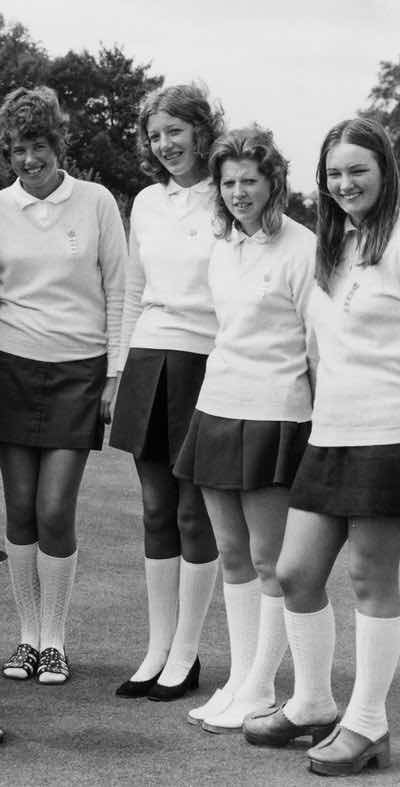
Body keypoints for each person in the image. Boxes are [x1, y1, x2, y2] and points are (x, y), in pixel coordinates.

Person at [242, 117, 400, 777]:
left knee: (372, 580)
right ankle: (311, 703)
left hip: (387, 435)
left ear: (385, 171)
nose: (345, 183)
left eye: (358, 170)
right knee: (295, 571)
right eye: (334, 173)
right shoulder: (336, 245)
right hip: (329, 433)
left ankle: (367, 724)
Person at [0, 86, 125, 684]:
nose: (29, 159)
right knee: (19, 509)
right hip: (13, 366)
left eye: (38, 146)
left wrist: (116, 373)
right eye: (17, 149)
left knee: (55, 509)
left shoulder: (96, 202)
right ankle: (27, 638)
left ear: (57, 144)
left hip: (80, 371)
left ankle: (56, 640)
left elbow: (119, 289)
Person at [173, 126, 315, 731]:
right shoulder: (222, 245)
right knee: (231, 553)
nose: (238, 192)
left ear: (273, 181)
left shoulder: (303, 247)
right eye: (228, 182)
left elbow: (314, 344)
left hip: (276, 414)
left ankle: (262, 686)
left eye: (249, 181)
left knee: (267, 559)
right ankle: (240, 680)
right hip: (218, 407)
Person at [111, 83, 224, 701]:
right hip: (149, 360)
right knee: (156, 510)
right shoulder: (148, 203)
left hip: (207, 362)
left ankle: (187, 652)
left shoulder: (228, 195)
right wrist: (121, 369)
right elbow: (133, 291)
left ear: (201, 130)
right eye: (155, 135)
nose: (165, 144)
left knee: (192, 512)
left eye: (175, 131)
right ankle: (156, 648)